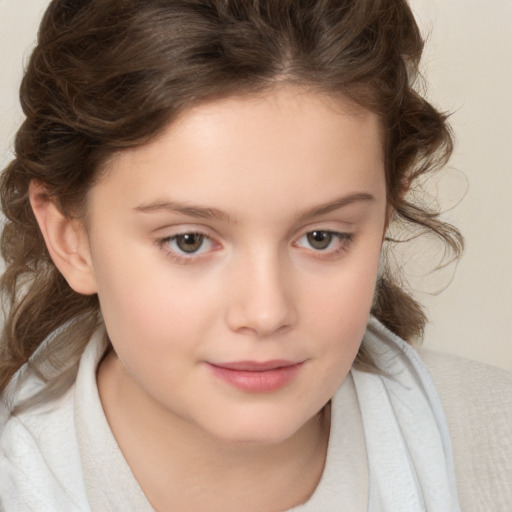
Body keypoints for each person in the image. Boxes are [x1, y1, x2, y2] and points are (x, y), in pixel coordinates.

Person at [0, 0, 510, 510]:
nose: (266, 313)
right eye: (189, 241)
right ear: (71, 238)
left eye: (321, 237)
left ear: (384, 219)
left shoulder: (495, 443)